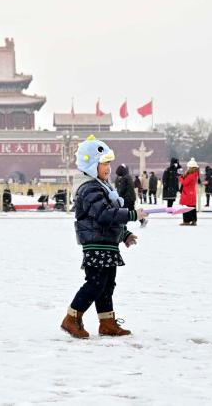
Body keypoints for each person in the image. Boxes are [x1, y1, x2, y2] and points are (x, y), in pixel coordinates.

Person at [60, 136, 146, 339]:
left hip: (107, 243)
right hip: (95, 244)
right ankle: (71, 318)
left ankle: (106, 322)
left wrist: (124, 234)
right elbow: (104, 215)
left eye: (109, 163)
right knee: (95, 283)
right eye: (103, 163)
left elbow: (111, 217)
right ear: (90, 165)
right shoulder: (89, 188)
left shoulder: (103, 187)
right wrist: (133, 214)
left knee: (107, 284)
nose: (108, 168)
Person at [180, 159, 199, 225]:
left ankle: (186, 221)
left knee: (186, 207)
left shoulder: (191, 175)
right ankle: (193, 220)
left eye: (188, 167)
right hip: (191, 193)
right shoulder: (194, 174)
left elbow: (184, 183)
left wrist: (180, 178)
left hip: (187, 193)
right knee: (192, 207)